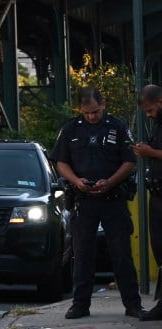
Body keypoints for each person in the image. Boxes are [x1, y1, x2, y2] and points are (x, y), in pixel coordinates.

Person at [51, 87, 143, 319]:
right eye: (87, 112)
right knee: (82, 255)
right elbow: (61, 162)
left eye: (95, 111)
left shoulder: (117, 126)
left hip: (113, 199)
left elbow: (130, 162)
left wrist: (110, 182)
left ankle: (133, 304)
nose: (92, 116)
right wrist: (76, 181)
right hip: (84, 201)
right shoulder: (71, 128)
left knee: (121, 254)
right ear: (80, 109)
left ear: (103, 105)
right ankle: (80, 305)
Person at [133, 83, 162, 321]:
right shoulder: (158, 123)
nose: (149, 115)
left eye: (151, 110)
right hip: (158, 194)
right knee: (159, 249)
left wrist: (150, 152)